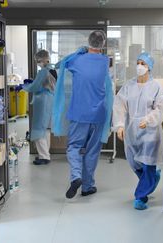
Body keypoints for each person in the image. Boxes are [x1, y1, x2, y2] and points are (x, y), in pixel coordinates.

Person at [52, 30, 113, 199]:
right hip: (99, 114)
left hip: (80, 113)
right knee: (93, 150)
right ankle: (87, 186)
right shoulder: (104, 61)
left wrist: (77, 52)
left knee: (74, 147)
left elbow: (60, 65)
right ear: (103, 44)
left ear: (88, 42)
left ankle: (76, 176)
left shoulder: (77, 60)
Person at [113, 52, 163, 210]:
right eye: (138, 63)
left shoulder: (156, 86)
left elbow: (161, 108)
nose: (140, 66)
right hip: (132, 131)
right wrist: (120, 125)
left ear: (149, 67)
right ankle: (151, 179)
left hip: (150, 132)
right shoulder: (128, 86)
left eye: (143, 64)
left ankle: (140, 197)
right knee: (134, 163)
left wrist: (149, 119)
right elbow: (119, 105)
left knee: (148, 164)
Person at [23, 49, 57, 165]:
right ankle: (45, 154)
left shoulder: (43, 71)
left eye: (38, 60)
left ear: (42, 59)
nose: (38, 62)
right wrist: (33, 82)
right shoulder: (52, 70)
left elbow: (35, 87)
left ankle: (44, 156)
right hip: (50, 101)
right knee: (45, 128)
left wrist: (24, 86)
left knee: (38, 129)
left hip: (43, 101)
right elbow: (46, 84)